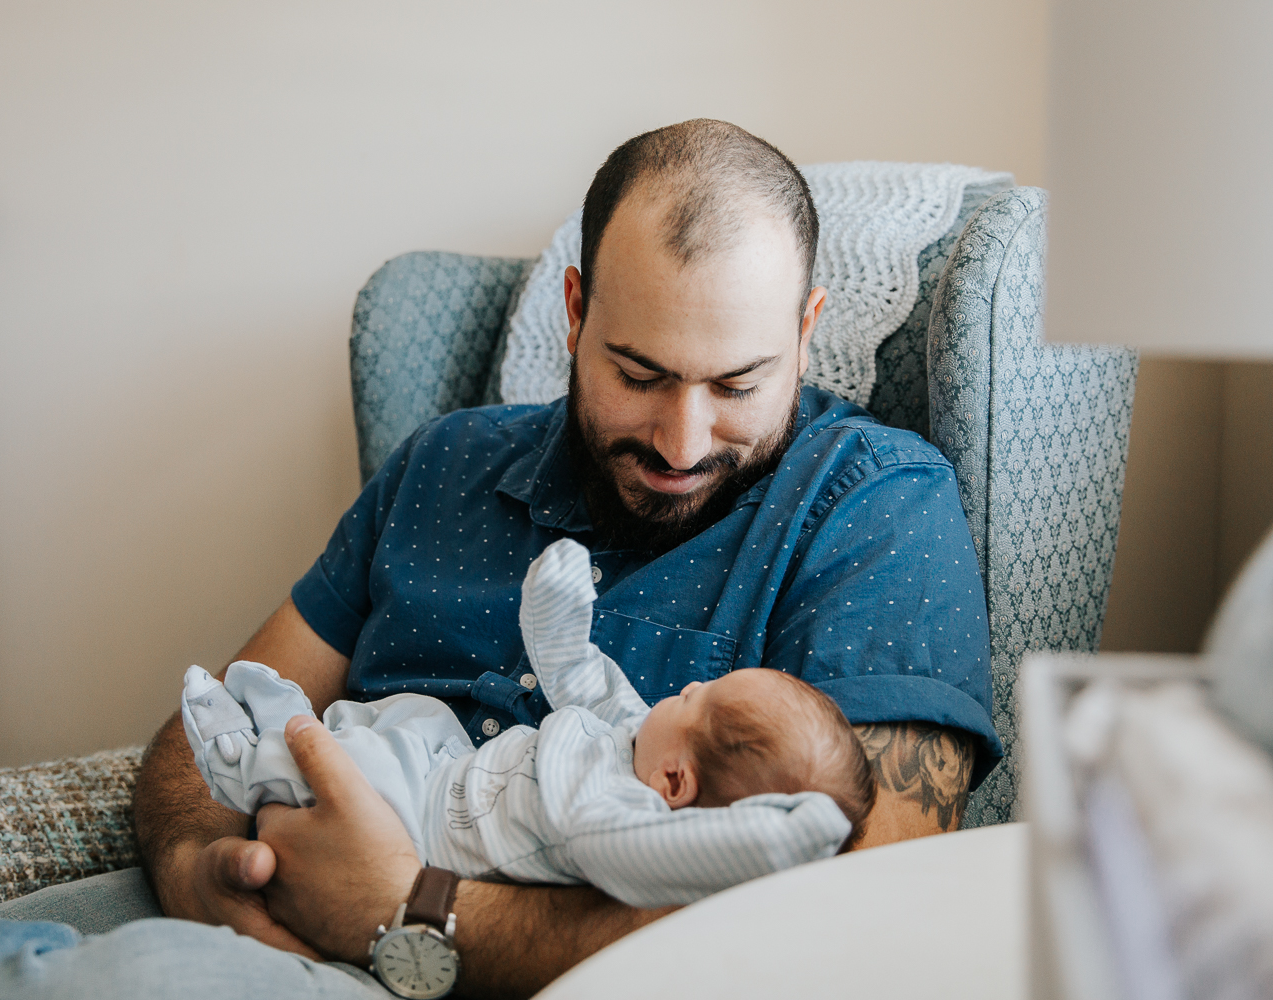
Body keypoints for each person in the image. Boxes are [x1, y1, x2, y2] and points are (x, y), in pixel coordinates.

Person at [130, 118, 1001, 997]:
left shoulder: (874, 506)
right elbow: (218, 716)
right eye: (639, 375)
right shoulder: (443, 464)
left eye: (738, 385)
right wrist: (195, 870)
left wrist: (407, 907)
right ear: (576, 313)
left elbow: (860, 919)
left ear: (806, 330)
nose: (681, 445)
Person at [182, 539, 875, 909]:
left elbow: (689, 854)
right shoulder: (636, 735)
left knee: (367, 769)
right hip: (454, 770)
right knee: (414, 716)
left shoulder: (611, 825)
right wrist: (557, 598)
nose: (690, 685)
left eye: (701, 698)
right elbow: (574, 671)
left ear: (674, 780)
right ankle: (300, 730)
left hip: (420, 828)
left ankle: (243, 763)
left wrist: (799, 830)